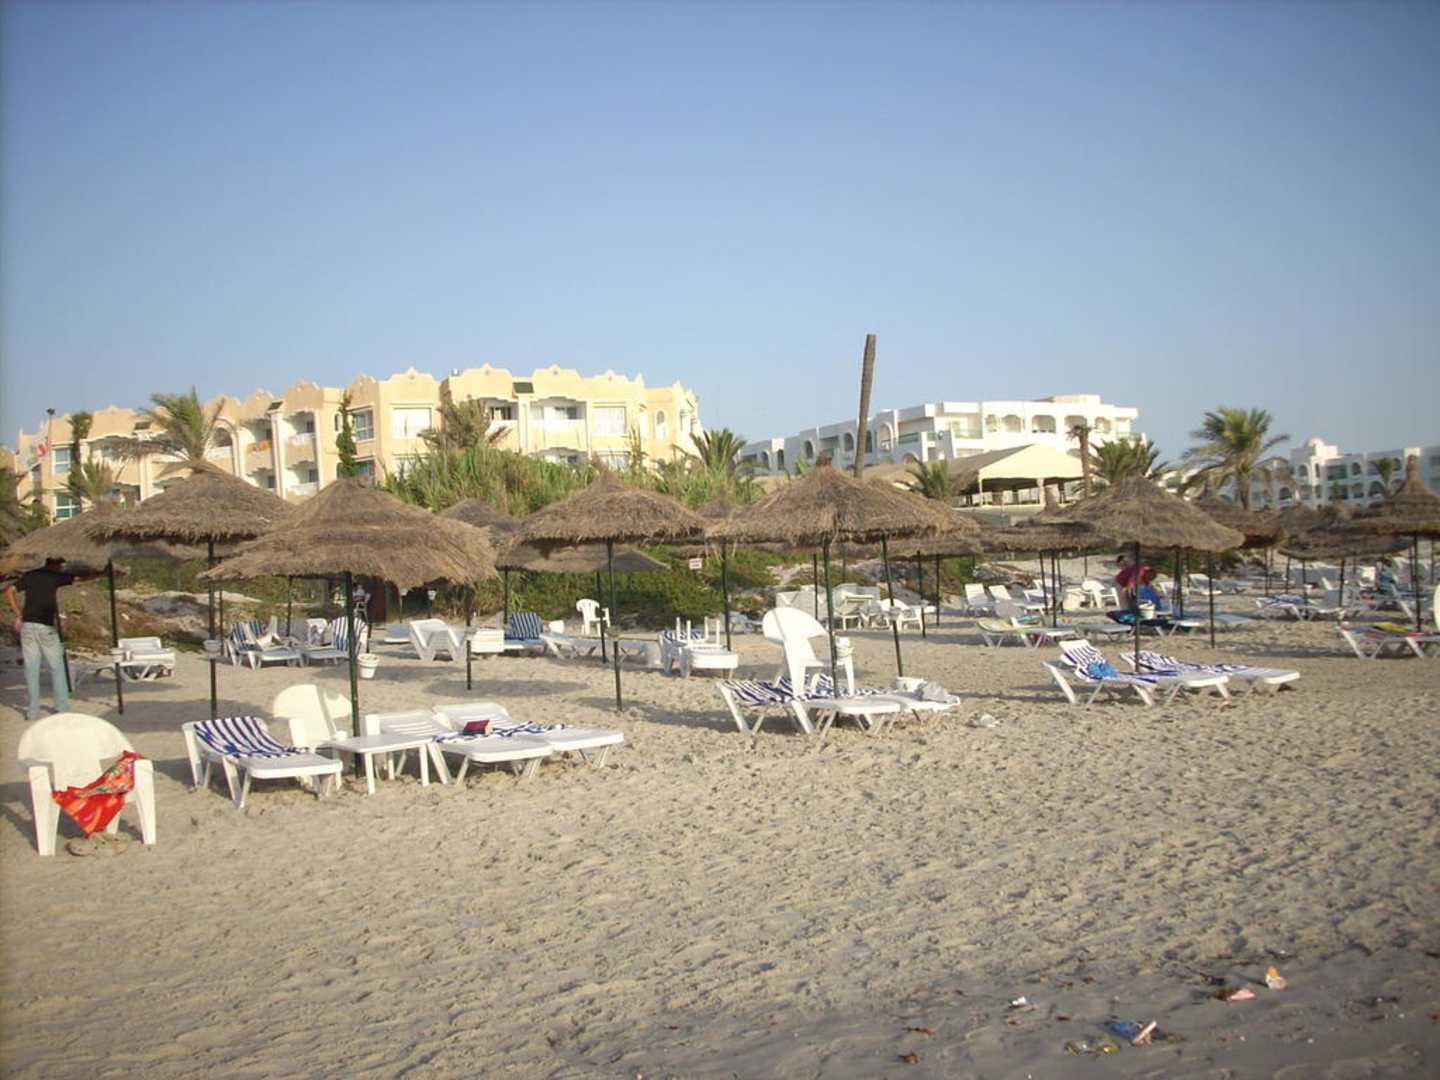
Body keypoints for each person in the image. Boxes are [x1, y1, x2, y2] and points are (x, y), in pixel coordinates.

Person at [5, 557, 101, 722]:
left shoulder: (30, 575)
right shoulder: (55, 576)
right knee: (57, 667)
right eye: (61, 566)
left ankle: (33, 712)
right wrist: (101, 573)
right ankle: (61, 707)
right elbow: (79, 578)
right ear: (57, 565)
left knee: (31, 669)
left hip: (28, 626)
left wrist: (18, 614)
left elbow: (9, 591)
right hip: (45, 627)